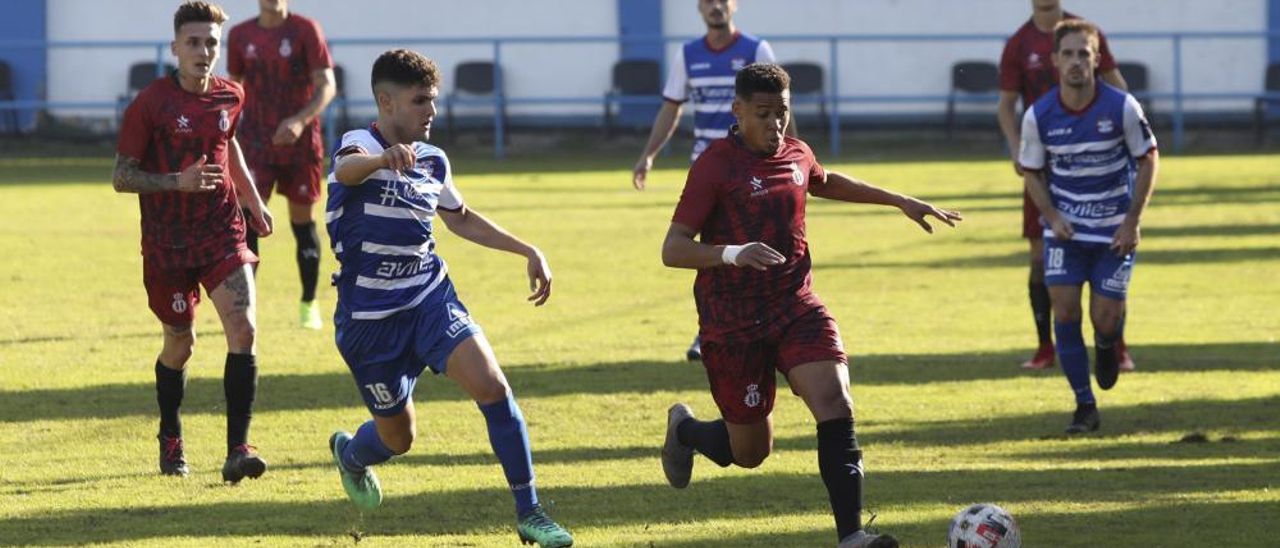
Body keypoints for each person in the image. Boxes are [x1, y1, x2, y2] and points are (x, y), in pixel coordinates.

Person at [660, 63, 963, 548]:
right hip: (733, 322)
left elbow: (821, 179)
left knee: (835, 401)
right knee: (751, 451)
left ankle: (852, 536)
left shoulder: (796, 151)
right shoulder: (715, 166)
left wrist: (899, 200)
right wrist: (733, 254)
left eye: (782, 112)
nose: (775, 124)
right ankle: (687, 432)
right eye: (763, 114)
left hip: (795, 304)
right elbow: (673, 249)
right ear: (738, 111)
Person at [323, 49, 572, 548]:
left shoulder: (434, 159)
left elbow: (458, 216)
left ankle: (530, 512)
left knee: (494, 388)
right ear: (385, 101)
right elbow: (347, 170)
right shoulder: (358, 143)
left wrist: (527, 249)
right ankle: (352, 455)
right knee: (399, 438)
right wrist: (381, 160)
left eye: (433, 101)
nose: (431, 111)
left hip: (429, 298)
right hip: (369, 322)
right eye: (420, 102)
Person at [112, 1, 273, 483]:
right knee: (180, 344)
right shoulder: (151, 104)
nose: (204, 51)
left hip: (222, 231)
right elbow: (122, 177)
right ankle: (170, 435)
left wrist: (251, 197)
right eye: (194, 43)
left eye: (211, 43)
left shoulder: (231, 95)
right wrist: (175, 183)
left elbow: (230, 142)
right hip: (167, 244)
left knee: (243, 329)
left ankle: (238, 451)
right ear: (175, 48)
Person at [1018, 19, 1158, 434]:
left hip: (1114, 230)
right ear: (1055, 61)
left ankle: (1107, 343)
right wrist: (1054, 217)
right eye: (1069, 54)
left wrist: (1132, 221)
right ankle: (1085, 406)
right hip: (1067, 232)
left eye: (1085, 54)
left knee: (1104, 318)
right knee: (1064, 309)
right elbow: (1031, 172)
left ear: (1097, 60)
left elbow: (1149, 158)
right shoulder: (1038, 116)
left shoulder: (1122, 107)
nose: (1077, 61)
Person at [632, 0, 781, 362]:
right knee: (712, 252)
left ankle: (770, 323)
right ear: (700, 8)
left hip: (752, 167)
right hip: (708, 169)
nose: (716, 6)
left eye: (722, 0)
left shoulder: (756, 50)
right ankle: (708, 330)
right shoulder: (688, 54)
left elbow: (779, 108)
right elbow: (672, 107)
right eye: (708, 1)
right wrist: (648, 153)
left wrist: (791, 155)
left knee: (762, 245)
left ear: (734, 5)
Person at [997, 0, 1135, 372]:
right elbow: (1006, 105)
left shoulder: (1084, 33)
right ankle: (1046, 346)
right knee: (1040, 259)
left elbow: (1116, 85)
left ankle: (1115, 344)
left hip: (1093, 166)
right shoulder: (1018, 44)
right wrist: (1017, 148)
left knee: (1112, 251)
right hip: (1046, 168)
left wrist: (1132, 130)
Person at [227, 0, 336, 330]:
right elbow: (233, 87)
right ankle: (246, 304)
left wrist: (300, 122)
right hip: (255, 143)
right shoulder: (240, 34)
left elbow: (327, 84)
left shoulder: (305, 30)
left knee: (302, 223)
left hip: (299, 144)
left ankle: (308, 303)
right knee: (248, 219)